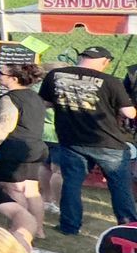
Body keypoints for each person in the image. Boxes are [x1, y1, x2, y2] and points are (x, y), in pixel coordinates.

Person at [39, 45, 137, 235]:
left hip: (72, 140)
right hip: (108, 142)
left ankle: (69, 226)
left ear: (82, 57)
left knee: (72, 184)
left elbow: (45, 103)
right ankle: (128, 226)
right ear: (105, 62)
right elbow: (129, 112)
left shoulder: (56, 75)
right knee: (120, 187)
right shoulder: (109, 81)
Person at [0, 63, 49, 235]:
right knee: (31, 190)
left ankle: (20, 229)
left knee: (14, 189)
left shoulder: (9, 99)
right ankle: (38, 230)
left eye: (1, 73)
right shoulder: (35, 97)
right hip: (34, 148)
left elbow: (3, 126)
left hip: (13, 150)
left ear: (13, 79)